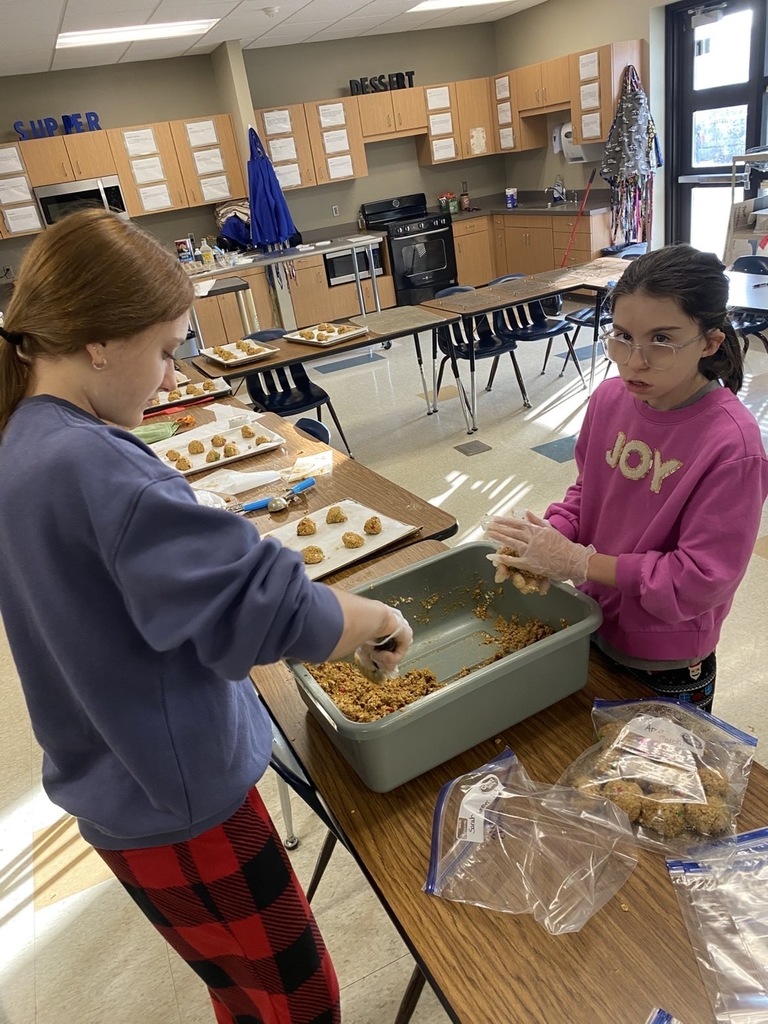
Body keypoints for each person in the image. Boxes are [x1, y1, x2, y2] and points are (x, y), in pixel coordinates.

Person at [0, 208, 413, 1024]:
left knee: (240, 986)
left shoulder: (27, 437)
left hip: (120, 787)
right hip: (180, 802)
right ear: (99, 342)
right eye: (163, 350)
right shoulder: (93, 463)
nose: (167, 376)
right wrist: (369, 618)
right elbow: (258, 610)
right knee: (299, 1002)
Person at [487, 243, 768, 714]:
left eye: (662, 339)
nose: (634, 361)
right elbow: (590, 491)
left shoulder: (733, 448)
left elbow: (699, 581)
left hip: (665, 658)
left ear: (710, 342)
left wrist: (580, 563)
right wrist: (551, 536)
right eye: (621, 336)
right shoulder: (610, 399)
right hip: (592, 619)